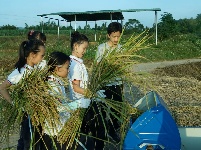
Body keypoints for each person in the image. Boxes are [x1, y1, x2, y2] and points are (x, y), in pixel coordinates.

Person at [0, 39, 45, 150]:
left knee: (32, 140)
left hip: (38, 113)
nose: (43, 58)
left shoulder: (35, 70)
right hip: (28, 114)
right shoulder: (19, 73)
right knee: (28, 142)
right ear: (32, 55)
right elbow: (2, 88)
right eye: (42, 55)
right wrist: (15, 103)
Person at [96, 21, 123, 143]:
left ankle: (112, 129)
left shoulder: (122, 49)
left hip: (118, 83)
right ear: (108, 35)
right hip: (105, 84)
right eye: (114, 36)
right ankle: (103, 131)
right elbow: (98, 66)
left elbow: (124, 65)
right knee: (103, 108)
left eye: (118, 36)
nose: (116, 39)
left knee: (117, 109)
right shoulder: (102, 48)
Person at [41, 51, 71, 150]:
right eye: (67, 68)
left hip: (60, 128)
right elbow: (56, 107)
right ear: (58, 69)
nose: (69, 70)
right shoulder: (52, 85)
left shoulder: (58, 82)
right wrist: (75, 105)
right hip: (54, 132)